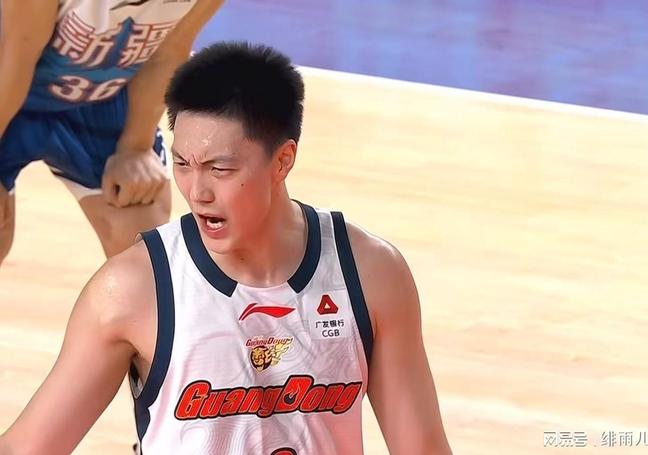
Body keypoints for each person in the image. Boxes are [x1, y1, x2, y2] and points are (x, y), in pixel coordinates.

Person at [0, 42, 453, 454]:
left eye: (219, 169)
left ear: (283, 160)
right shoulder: (130, 290)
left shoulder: (371, 273)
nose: (197, 192)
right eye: (182, 164)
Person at [0, 0, 224, 263]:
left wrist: (135, 148)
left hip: (101, 96)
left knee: (142, 251)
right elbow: (15, 54)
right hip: (11, 88)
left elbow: (171, 49)